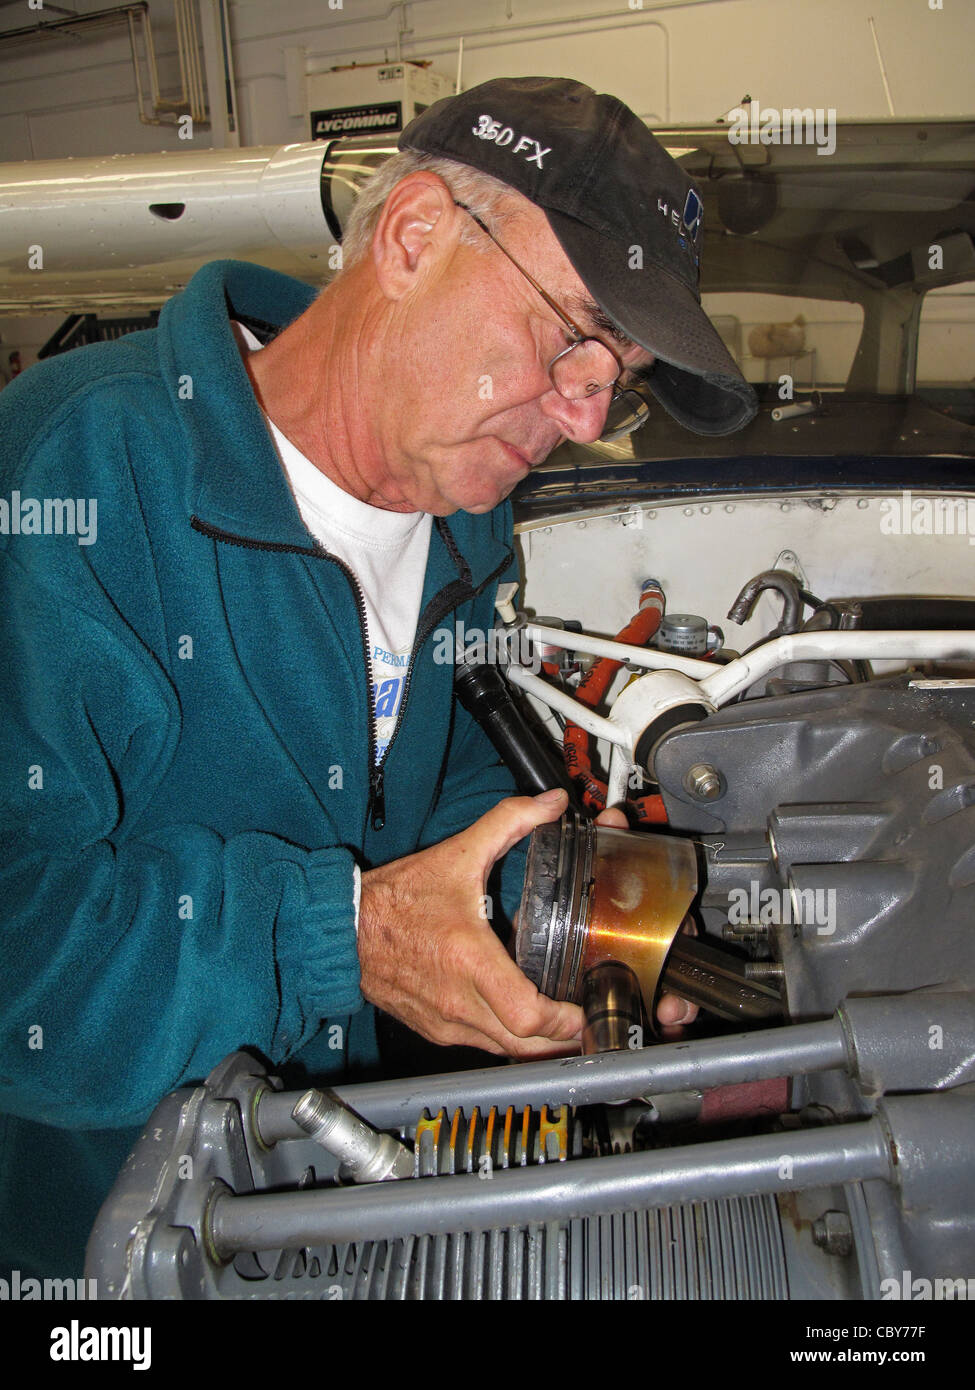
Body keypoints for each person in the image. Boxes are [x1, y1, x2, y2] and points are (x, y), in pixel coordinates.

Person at [0, 77, 755, 1281]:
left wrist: (581, 930)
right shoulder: (75, 474)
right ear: (411, 238)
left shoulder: (467, 532)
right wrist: (338, 938)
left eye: (618, 380)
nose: (583, 413)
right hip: (94, 1252)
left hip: (320, 1210)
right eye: (572, 339)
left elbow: (441, 822)